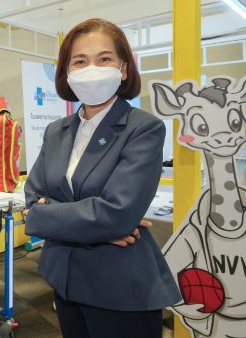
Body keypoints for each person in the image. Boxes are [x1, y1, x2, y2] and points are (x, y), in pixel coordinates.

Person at [23, 18, 180, 338]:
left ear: (123, 69)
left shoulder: (143, 128)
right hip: (64, 277)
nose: (91, 69)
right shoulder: (56, 131)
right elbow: (31, 199)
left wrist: (48, 215)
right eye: (80, 61)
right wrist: (98, 226)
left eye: (104, 58)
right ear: (67, 72)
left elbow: (116, 214)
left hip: (118, 284)